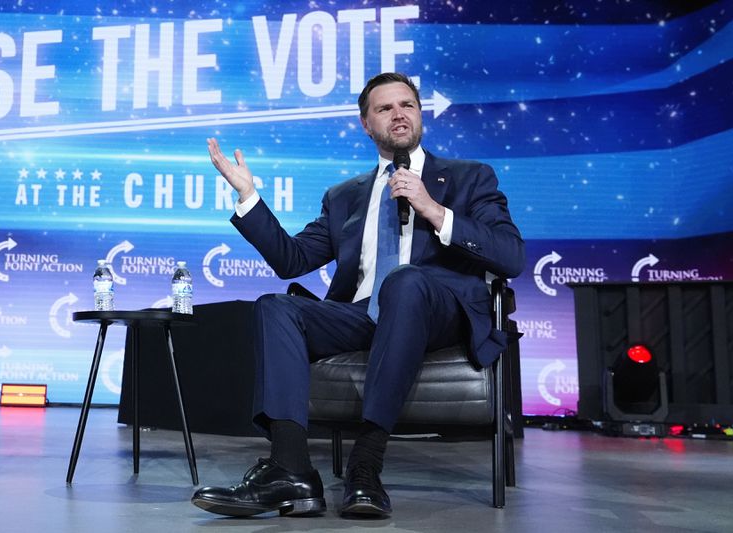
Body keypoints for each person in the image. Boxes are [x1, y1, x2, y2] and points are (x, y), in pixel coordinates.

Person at [191, 72, 525, 519]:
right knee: (276, 308)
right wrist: (249, 197)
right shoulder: (345, 196)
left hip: (437, 314)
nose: (399, 114)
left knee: (405, 281)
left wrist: (432, 208)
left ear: (420, 114)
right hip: (365, 317)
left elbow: (511, 255)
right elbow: (292, 260)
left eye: (407, 105)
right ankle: (291, 470)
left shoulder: (468, 178)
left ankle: (365, 466)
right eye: (385, 109)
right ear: (367, 125)